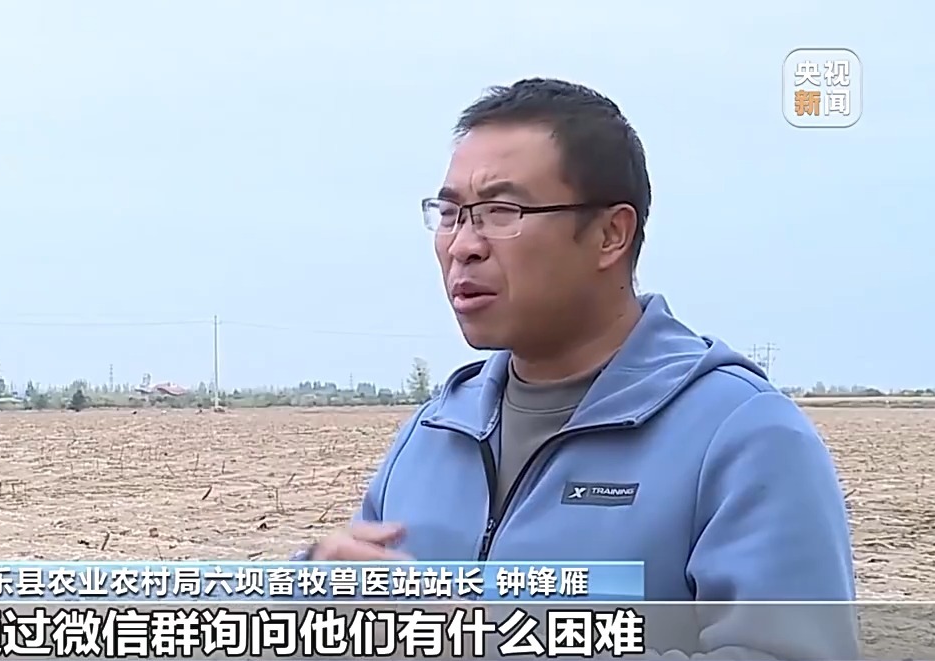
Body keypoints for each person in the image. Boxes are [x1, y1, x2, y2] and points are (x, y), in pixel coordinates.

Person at [297, 78, 858, 658]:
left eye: (501, 211)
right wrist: (313, 586)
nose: (463, 245)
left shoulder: (742, 435)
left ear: (611, 234)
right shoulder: (434, 432)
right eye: (450, 214)